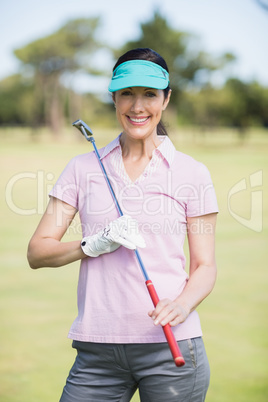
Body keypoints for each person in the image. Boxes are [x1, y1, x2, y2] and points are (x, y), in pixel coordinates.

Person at [27, 48, 218, 402]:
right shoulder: (82, 168)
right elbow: (37, 252)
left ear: (166, 98)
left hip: (171, 346)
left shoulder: (193, 173)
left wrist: (182, 304)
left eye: (149, 94)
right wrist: (92, 244)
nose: (137, 106)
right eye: (127, 93)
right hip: (97, 352)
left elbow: (204, 266)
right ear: (114, 97)